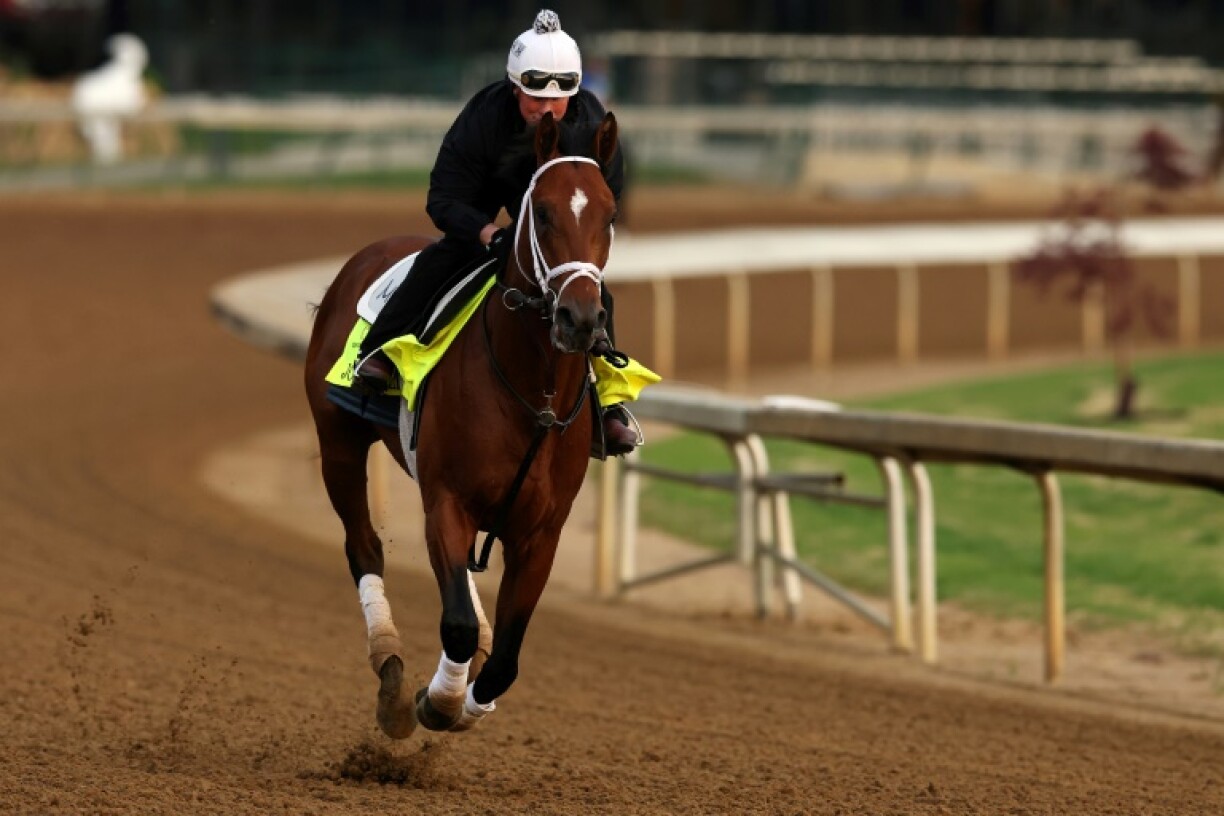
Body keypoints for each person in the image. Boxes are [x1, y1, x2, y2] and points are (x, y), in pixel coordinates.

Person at [353, 9, 639, 456]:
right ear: (514, 87)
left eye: (558, 100)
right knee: (444, 259)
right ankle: (379, 351)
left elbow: (606, 202)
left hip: (556, 216)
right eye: (534, 99)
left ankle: (609, 405)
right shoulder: (484, 118)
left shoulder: (592, 125)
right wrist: (488, 232)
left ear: (575, 92)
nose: (547, 110)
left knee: (593, 294)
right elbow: (442, 199)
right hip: (486, 202)